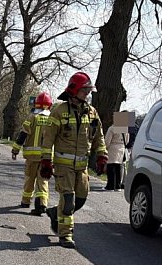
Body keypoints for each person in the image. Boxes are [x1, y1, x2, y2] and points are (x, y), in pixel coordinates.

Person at [39, 72, 108, 248]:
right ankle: (65, 235)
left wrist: (102, 156)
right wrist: (46, 161)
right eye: (85, 90)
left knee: (81, 199)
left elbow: (99, 136)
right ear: (74, 90)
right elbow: (48, 139)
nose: (88, 94)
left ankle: (55, 212)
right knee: (68, 200)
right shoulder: (59, 111)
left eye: (89, 91)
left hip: (82, 167)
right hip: (63, 166)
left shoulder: (92, 112)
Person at [12, 92, 53, 215]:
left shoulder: (31, 117)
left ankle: (25, 201)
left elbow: (22, 135)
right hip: (46, 157)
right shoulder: (52, 119)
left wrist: (15, 150)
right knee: (43, 180)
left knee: (29, 178)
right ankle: (42, 204)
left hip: (31, 157)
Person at [103, 121, 130, 191]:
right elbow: (127, 141)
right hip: (121, 148)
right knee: (119, 168)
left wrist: (105, 148)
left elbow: (107, 141)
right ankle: (118, 186)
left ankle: (110, 186)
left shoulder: (112, 128)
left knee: (111, 167)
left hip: (112, 148)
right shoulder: (125, 129)